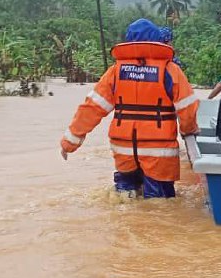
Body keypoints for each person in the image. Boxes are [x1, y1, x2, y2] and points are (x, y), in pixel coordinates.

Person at [60, 19, 200, 198]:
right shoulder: (170, 70)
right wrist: (189, 131)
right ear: (157, 40)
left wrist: (69, 142)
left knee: (125, 200)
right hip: (158, 151)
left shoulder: (115, 71)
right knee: (159, 205)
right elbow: (188, 108)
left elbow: (91, 108)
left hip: (124, 148)